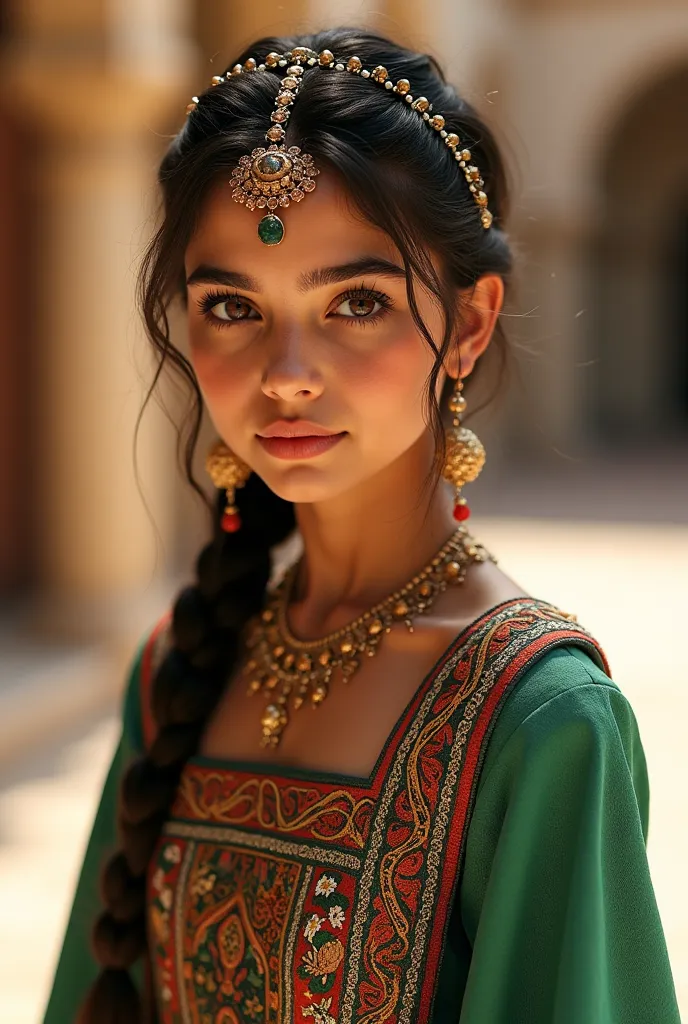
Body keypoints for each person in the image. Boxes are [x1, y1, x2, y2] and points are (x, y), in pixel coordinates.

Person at [42, 27, 680, 1024]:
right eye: (230, 304)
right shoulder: (178, 670)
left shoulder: (540, 719)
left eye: (354, 301)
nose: (286, 370)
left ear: (467, 325)